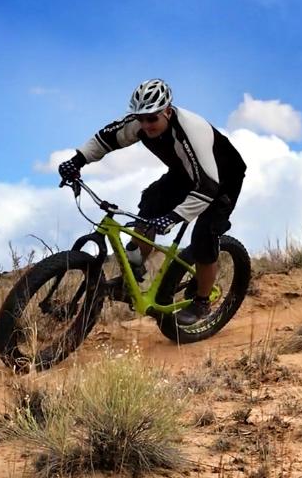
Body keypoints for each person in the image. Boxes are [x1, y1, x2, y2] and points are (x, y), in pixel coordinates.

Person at [56, 79, 246, 324]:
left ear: (167, 111)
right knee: (150, 205)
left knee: (203, 236)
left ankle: (201, 302)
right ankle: (135, 275)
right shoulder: (139, 123)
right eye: (141, 118)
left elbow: (208, 185)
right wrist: (77, 160)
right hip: (184, 173)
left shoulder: (189, 131)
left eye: (152, 118)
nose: (146, 125)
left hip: (222, 179)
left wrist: (175, 216)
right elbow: (106, 139)